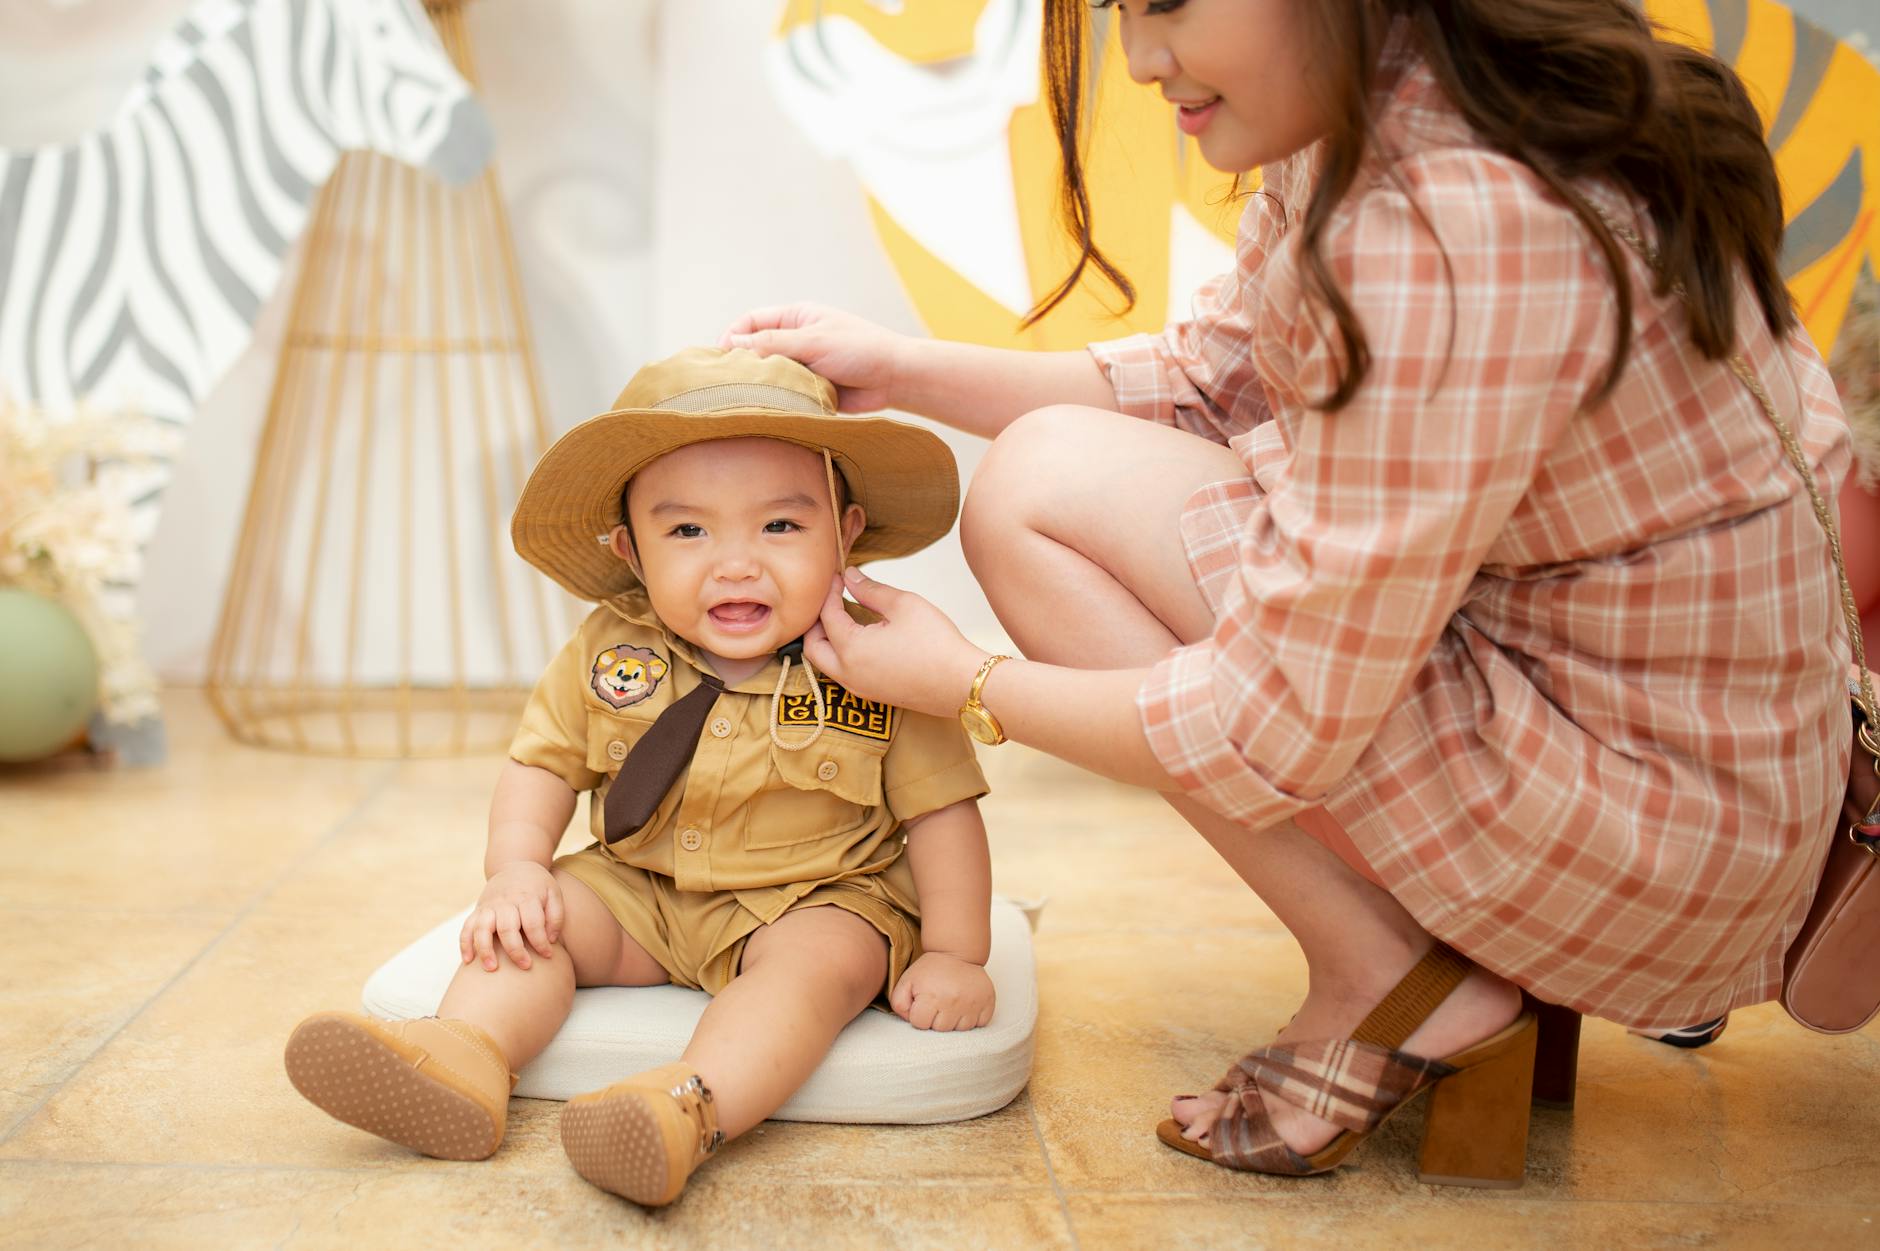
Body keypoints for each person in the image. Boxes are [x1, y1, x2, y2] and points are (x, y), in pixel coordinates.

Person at [721, 0, 1853, 1185]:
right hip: (1654, 744)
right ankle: (1410, 969)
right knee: (1040, 477)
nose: (1140, 59)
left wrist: (967, 685)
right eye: (1115, 11)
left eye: (1166, 5)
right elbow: (1217, 374)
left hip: (1655, 836)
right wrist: (899, 369)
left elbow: (1271, 723)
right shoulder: (1400, 114)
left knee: (1034, 490)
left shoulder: (1451, 228)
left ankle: (1391, 980)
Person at [282, 347, 996, 1206]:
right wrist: (514, 870)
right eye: (688, 530)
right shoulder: (608, 648)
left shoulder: (880, 659)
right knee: (534, 927)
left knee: (809, 975)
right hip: (639, 888)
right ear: (631, 549)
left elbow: (944, 812)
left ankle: (685, 1106)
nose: (736, 563)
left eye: (780, 526)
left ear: (843, 532)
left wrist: (958, 952)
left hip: (818, 895)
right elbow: (541, 763)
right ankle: (465, 1055)